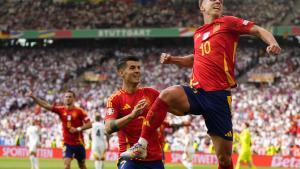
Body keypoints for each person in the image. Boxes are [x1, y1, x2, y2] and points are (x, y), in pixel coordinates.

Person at [121, 1, 281, 169]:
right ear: (202, 7)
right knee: (166, 94)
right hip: (197, 93)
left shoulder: (228, 22)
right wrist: (173, 60)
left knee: (225, 159)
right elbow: (196, 59)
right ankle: (142, 145)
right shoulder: (198, 34)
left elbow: (258, 30)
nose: (218, 1)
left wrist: (273, 43)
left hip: (218, 97)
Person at [105, 56, 164, 169]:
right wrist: (131, 116)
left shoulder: (151, 93)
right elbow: (108, 128)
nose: (137, 70)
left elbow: (175, 108)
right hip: (129, 159)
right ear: (121, 72)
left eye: (138, 68)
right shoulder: (115, 99)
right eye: (132, 68)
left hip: (154, 159)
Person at [27, 90, 92, 169]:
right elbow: (45, 105)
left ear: (74, 99)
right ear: (64, 98)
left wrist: (77, 129)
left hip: (79, 143)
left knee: (82, 165)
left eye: (70, 97)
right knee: (66, 165)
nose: (67, 98)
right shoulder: (61, 110)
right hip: (67, 144)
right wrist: (34, 97)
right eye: (66, 97)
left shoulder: (80, 111)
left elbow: (90, 124)